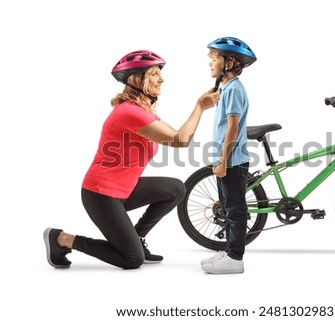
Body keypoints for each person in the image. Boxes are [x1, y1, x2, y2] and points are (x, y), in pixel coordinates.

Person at [44, 50, 219, 269]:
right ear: (138, 79)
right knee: (132, 260)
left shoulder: (142, 111)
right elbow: (180, 140)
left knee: (176, 188)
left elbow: (180, 135)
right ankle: (62, 239)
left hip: (125, 189)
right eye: (154, 74)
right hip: (101, 194)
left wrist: (200, 109)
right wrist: (200, 107)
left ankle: (136, 238)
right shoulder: (129, 113)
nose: (161, 79)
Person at [200, 37, 257, 274]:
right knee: (226, 205)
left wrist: (223, 161)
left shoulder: (233, 90)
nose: (209, 62)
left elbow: (232, 128)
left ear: (229, 61)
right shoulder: (225, 88)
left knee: (235, 209)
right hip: (226, 158)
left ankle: (236, 258)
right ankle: (229, 250)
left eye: (214, 58)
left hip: (231, 160)